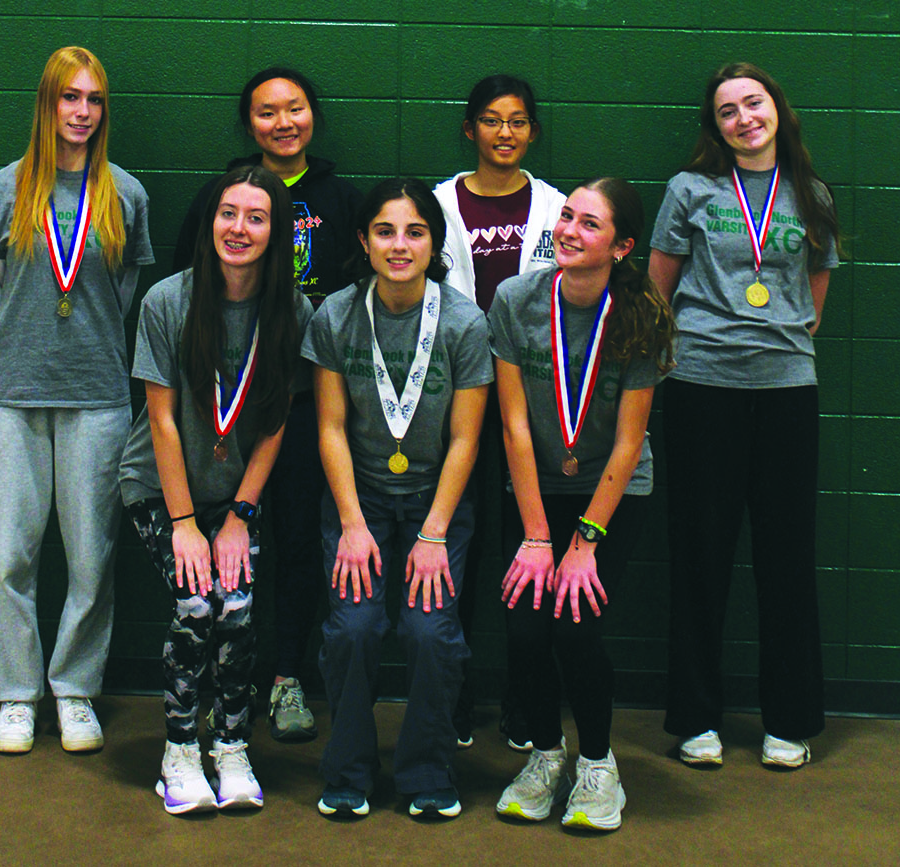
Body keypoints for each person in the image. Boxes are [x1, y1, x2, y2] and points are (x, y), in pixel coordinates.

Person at [648, 62, 842, 770]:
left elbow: (814, 297)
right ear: (716, 126)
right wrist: (704, 348)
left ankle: (788, 720)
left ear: (776, 109)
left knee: (786, 556)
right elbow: (657, 288)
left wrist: (777, 341)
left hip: (787, 389)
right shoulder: (689, 190)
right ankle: (696, 718)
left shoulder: (811, 194)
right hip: (703, 386)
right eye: (727, 111)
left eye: (753, 103)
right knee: (701, 553)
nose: (743, 119)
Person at [0, 46, 153, 755]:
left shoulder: (125, 194)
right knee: (11, 554)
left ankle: (74, 691)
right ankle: (17, 696)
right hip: (10, 394)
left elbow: (120, 297)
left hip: (97, 397)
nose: (82, 112)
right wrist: (30, 345)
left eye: (94, 99)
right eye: (70, 97)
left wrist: (81, 351)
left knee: (91, 556)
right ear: (47, 104)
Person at [174, 67, 363, 742]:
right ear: (247, 123)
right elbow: (182, 290)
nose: (283, 122)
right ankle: (226, 678)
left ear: (314, 115)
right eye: (266, 112)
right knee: (225, 543)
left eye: (295, 109)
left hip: (305, 403)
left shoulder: (341, 200)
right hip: (224, 407)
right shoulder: (218, 196)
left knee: (295, 542)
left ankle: (285, 678)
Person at [119, 165, 313, 814]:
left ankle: (231, 743)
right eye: (229, 213)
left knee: (237, 609)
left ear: (275, 232)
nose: (240, 228)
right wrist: (183, 523)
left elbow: (276, 421)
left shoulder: (293, 310)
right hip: (159, 488)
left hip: (233, 498)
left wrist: (239, 516)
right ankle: (178, 748)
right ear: (210, 222)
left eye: (256, 217)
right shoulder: (167, 302)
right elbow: (164, 422)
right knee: (198, 606)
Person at [489, 178, 675, 831]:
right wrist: (539, 536)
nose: (568, 229)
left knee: (574, 624)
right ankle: (545, 755)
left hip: (611, 495)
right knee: (524, 628)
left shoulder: (642, 314)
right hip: (535, 491)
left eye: (588, 223)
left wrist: (584, 541)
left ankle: (597, 766)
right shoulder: (514, 299)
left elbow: (629, 441)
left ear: (621, 246)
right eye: (566, 215)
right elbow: (513, 426)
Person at [303, 179, 491, 819]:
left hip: (435, 505)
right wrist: (353, 525)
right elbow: (329, 427)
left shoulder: (464, 321)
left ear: (434, 242)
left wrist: (435, 533)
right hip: (360, 503)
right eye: (385, 231)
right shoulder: (335, 314)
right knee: (353, 631)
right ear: (363, 240)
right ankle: (348, 769)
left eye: (415, 231)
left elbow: (466, 436)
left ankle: (427, 771)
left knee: (430, 633)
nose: (400, 245)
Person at [432, 74, 566, 751]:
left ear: (532, 132)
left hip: (530, 404)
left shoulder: (557, 207)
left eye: (517, 121)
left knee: (524, 550)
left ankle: (524, 697)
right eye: (490, 120)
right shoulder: (436, 206)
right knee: (460, 547)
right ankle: (453, 693)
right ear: (469, 130)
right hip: (455, 398)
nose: (504, 132)